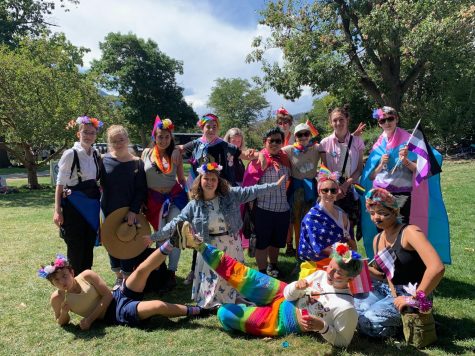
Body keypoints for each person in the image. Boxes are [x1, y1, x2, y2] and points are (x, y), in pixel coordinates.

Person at [180, 225, 362, 347]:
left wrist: (322, 326)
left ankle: (251, 307)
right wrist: (296, 287)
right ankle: (200, 246)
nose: (329, 274)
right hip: (282, 292)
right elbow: (290, 295)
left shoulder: (346, 308)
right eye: (330, 267)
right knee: (243, 274)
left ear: (350, 279)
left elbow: (343, 342)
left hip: (285, 320)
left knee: (224, 314)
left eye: (338, 273)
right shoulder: (321, 274)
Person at [148, 163, 286, 311]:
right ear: (200, 181)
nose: (210, 182)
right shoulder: (194, 205)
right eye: (206, 179)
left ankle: (233, 297)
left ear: (218, 181)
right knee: (214, 276)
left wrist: (274, 185)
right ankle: (215, 301)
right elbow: (175, 223)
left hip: (231, 243)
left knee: (233, 274)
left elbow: (251, 190)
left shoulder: (230, 195)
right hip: (209, 246)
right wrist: (154, 237)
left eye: (213, 179)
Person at [38, 243, 208, 330]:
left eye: (64, 276)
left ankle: (173, 240)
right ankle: (198, 310)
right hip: (116, 313)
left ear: (71, 272)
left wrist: (90, 319)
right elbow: (61, 322)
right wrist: (65, 312)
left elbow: (108, 295)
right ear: (52, 283)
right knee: (157, 305)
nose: (62, 281)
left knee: (141, 270)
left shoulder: (87, 275)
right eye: (57, 281)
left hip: (118, 296)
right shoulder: (57, 298)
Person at [172, 114, 256, 285]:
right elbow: (180, 148)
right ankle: (195, 271)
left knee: (222, 231)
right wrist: (176, 149)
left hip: (220, 194)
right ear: (202, 128)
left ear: (218, 128)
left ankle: (230, 269)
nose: (210, 129)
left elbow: (243, 154)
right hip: (200, 194)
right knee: (199, 232)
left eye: (214, 126)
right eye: (207, 126)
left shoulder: (223, 144)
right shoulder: (196, 143)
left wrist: (258, 155)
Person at [355, 188, 445, 338]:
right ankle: (405, 321)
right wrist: (359, 266)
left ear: (395, 211)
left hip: (415, 294)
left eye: (382, 213)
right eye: (372, 213)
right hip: (389, 291)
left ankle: (413, 320)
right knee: (355, 308)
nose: (376, 218)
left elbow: (437, 268)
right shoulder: (378, 240)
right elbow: (385, 275)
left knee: (368, 320)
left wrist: (414, 299)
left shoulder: (410, 232)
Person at [142, 116, 188, 291]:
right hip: (154, 202)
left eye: (167, 137)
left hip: (174, 198)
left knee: (174, 234)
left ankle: (171, 272)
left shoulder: (175, 153)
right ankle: (159, 269)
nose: (163, 140)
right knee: (160, 236)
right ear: (155, 136)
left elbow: (182, 179)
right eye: (160, 136)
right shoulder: (146, 153)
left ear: (171, 138)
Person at [53, 116, 103, 274]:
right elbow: (60, 184)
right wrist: (57, 210)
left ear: (96, 135)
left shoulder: (96, 154)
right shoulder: (71, 154)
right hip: (74, 207)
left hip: (91, 207)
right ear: (78, 134)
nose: (88, 136)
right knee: (75, 248)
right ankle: (74, 286)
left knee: (88, 245)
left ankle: (87, 283)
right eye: (85, 132)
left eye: (92, 133)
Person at [100, 125, 147, 288]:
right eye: (114, 141)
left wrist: (133, 211)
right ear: (109, 142)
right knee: (111, 243)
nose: (118, 143)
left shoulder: (137, 163)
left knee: (127, 241)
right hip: (108, 210)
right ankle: (118, 277)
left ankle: (127, 279)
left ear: (127, 139)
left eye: (121, 139)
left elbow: (141, 190)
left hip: (129, 212)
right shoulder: (103, 160)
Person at [298, 165, 357, 278]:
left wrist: (353, 256)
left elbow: (351, 242)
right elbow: (320, 248)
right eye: (325, 190)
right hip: (318, 267)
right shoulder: (312, 217)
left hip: (341, 264)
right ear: (319, 192)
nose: (329, 194)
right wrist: (347, 256)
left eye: (333, 190)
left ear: (337, 192)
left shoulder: (343, 215)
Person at [319, 105, 365, 240]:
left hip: (351, 190)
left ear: (347, 119)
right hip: (333, 192)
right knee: (333, 229)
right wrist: (334, 188)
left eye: (341, 119)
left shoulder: (357, 141)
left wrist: (346, 185)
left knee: (348, 230)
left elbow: (359, 168)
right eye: (334, 120)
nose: (338, 123)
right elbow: (324, 169)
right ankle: (335, 259)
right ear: (330, 122)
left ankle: (351, 259)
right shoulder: (325, 143)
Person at [251, 127, 291, 278]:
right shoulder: (258, 160)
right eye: (271, 140)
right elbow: (250, 185)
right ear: (265, 142)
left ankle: (273, 265)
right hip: (263, 209)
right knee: (262, 242)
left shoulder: (286, 160)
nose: (274, 143)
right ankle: (261, 272)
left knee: (276, 242)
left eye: (278, 141)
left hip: (282, 209)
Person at [282, 123, 320, 256]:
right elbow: (271, 151)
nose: (303, 137)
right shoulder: (289, 150)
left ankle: (311, 249)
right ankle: (299, 251)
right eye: (299, 134)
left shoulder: (316, 148)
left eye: (306, 134)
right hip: (296, 190)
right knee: (297, 221)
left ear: (310, 135)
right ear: (295, 136)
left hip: (311, 189)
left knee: (311, 219)